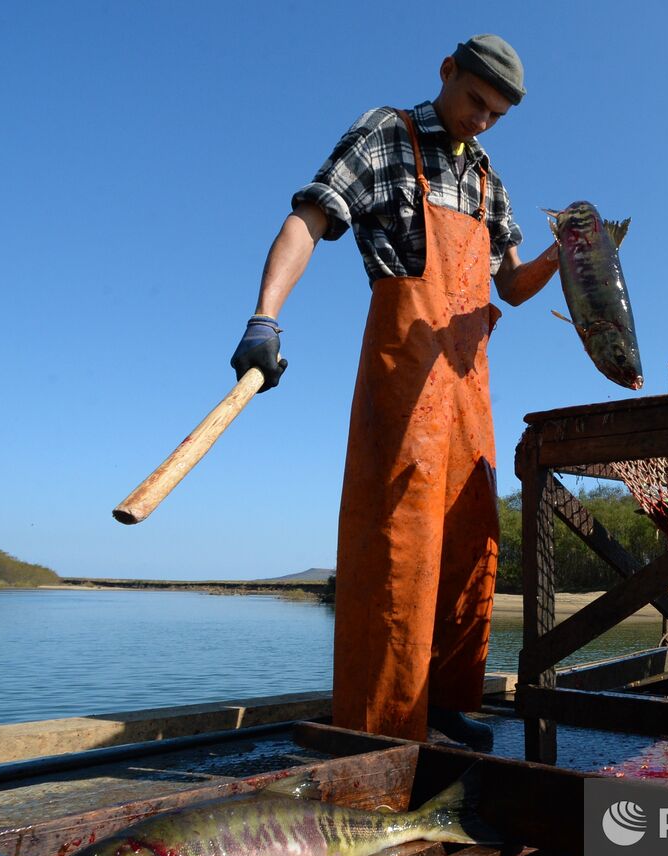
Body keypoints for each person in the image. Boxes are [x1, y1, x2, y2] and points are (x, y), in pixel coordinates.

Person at [229, 35, 561, 750]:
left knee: (472, 539)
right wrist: (266, 316)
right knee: (398, 541)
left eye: (497, 114)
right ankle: (380, 722)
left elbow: (511, 288)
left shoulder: (489, 182)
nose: (483, 120)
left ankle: (444, 706)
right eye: (476, 101)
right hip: (404, 368)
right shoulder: (388, 133)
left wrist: (567, 256)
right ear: (447, 72)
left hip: (470, 384)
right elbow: (309, 218)